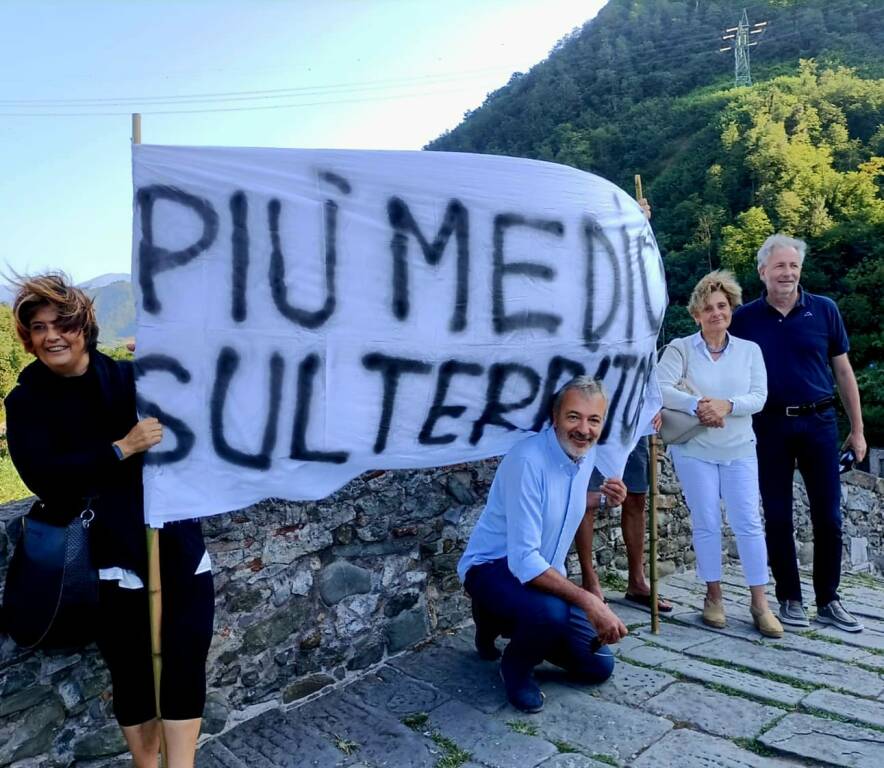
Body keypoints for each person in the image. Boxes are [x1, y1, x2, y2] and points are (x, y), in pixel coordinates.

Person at [5, 274, 214, 768]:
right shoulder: (27, 402)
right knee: (133, 674)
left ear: (85, 327)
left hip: (175, 542)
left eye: (63, 324)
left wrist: (179, 366)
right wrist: (121, 448)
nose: (52, 335)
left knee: (185, 662)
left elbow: (194, 421)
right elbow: (44, 477)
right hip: (108, 559)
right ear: (28, 339)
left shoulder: (132, 380)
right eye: (38, 327)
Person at [457, 376, 629, 713]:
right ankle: (515, 667)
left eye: (594, 420)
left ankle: (501, 622)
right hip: (493, 567)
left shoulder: (584, 456)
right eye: (573, 417)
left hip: (539, 576)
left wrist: (604, 501)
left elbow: (572, 502)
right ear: (554, 417)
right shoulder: (528, 460)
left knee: (598, 667)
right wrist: (591, 604)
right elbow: (524, 561)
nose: (584, 429)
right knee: (551, 612)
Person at [730, 234, 866, 633]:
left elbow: (843, 371)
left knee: (829, 516)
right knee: (776, 515)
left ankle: (829, 599)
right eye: (779, 267)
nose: (787, 274)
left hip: (820, 424)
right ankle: (789, 597)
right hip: (768, 425)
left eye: (793, 266)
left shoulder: (824, 310)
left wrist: (857, 430)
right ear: (763, 272)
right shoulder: (744, 319)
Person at [658, 270, 782, 638]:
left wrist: (727, 405)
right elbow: (660, 387)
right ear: (696, 315)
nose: (716, 313)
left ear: (732, 309)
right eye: (708, 308)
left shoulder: (749, 351)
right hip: (694, 450)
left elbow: (759, 397)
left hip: (739, 449)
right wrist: (699, 404)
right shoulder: (680, 347)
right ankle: (713, 597)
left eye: (722, 306)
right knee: (706, 521)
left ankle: (760, 602)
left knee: (748, 523)